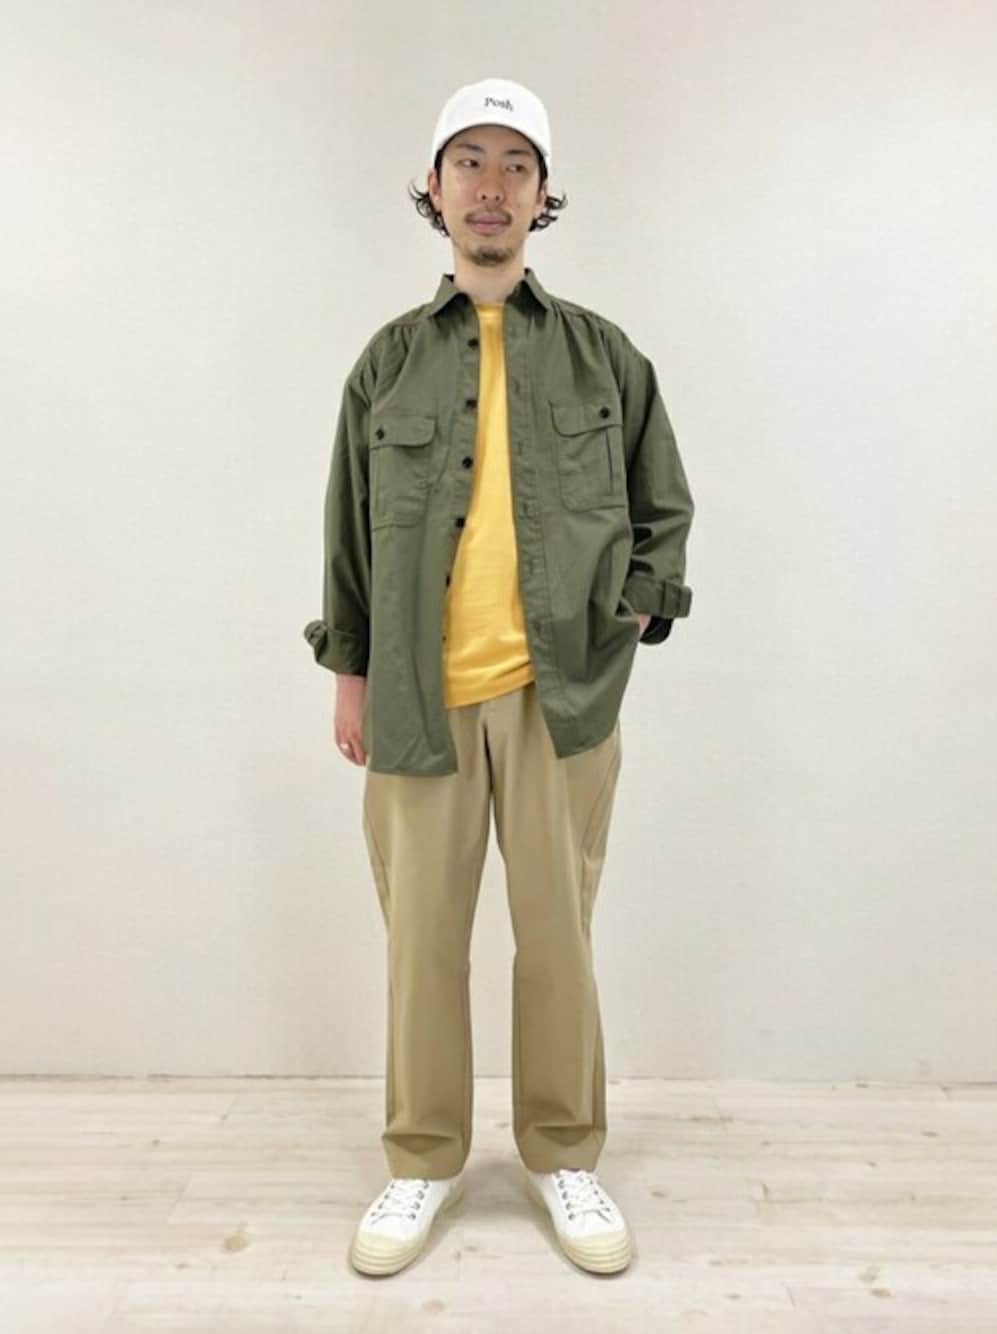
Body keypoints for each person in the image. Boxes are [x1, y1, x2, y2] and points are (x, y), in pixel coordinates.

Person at [303, 77, 695, 1277]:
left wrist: (632, 610)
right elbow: (348, 532)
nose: (489, 185)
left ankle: (562, 1151)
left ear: (541, 195)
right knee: (421, 942)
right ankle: (421, 1159)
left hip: (560, 699)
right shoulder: (387, 361)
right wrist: (350, 673)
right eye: (467, 161)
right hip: (417, 699)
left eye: (514, 165)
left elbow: (663, 505)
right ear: (434, 189)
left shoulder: (602, 356)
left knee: (557, 937)